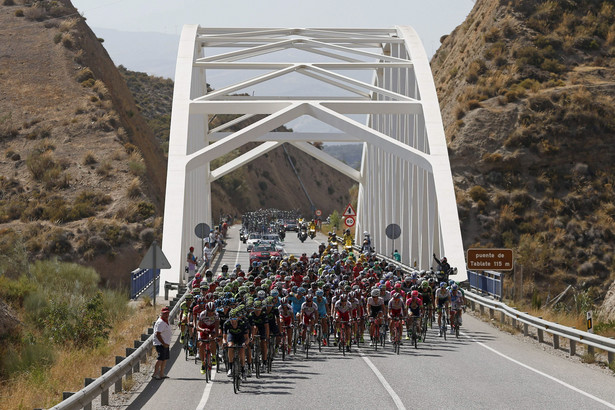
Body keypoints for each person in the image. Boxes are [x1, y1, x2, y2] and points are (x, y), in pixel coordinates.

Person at [153, 306, 172, 380]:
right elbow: (157, 334)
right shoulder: (160, 322)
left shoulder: (166, 320)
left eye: (167, 313)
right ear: (161, 314)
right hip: (160, 343)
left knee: (165, 358)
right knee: (160, 358)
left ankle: (162, 373)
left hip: (166, 343)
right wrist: (163, 343)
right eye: (165, 314)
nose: (166, 315)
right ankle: (155, 373)